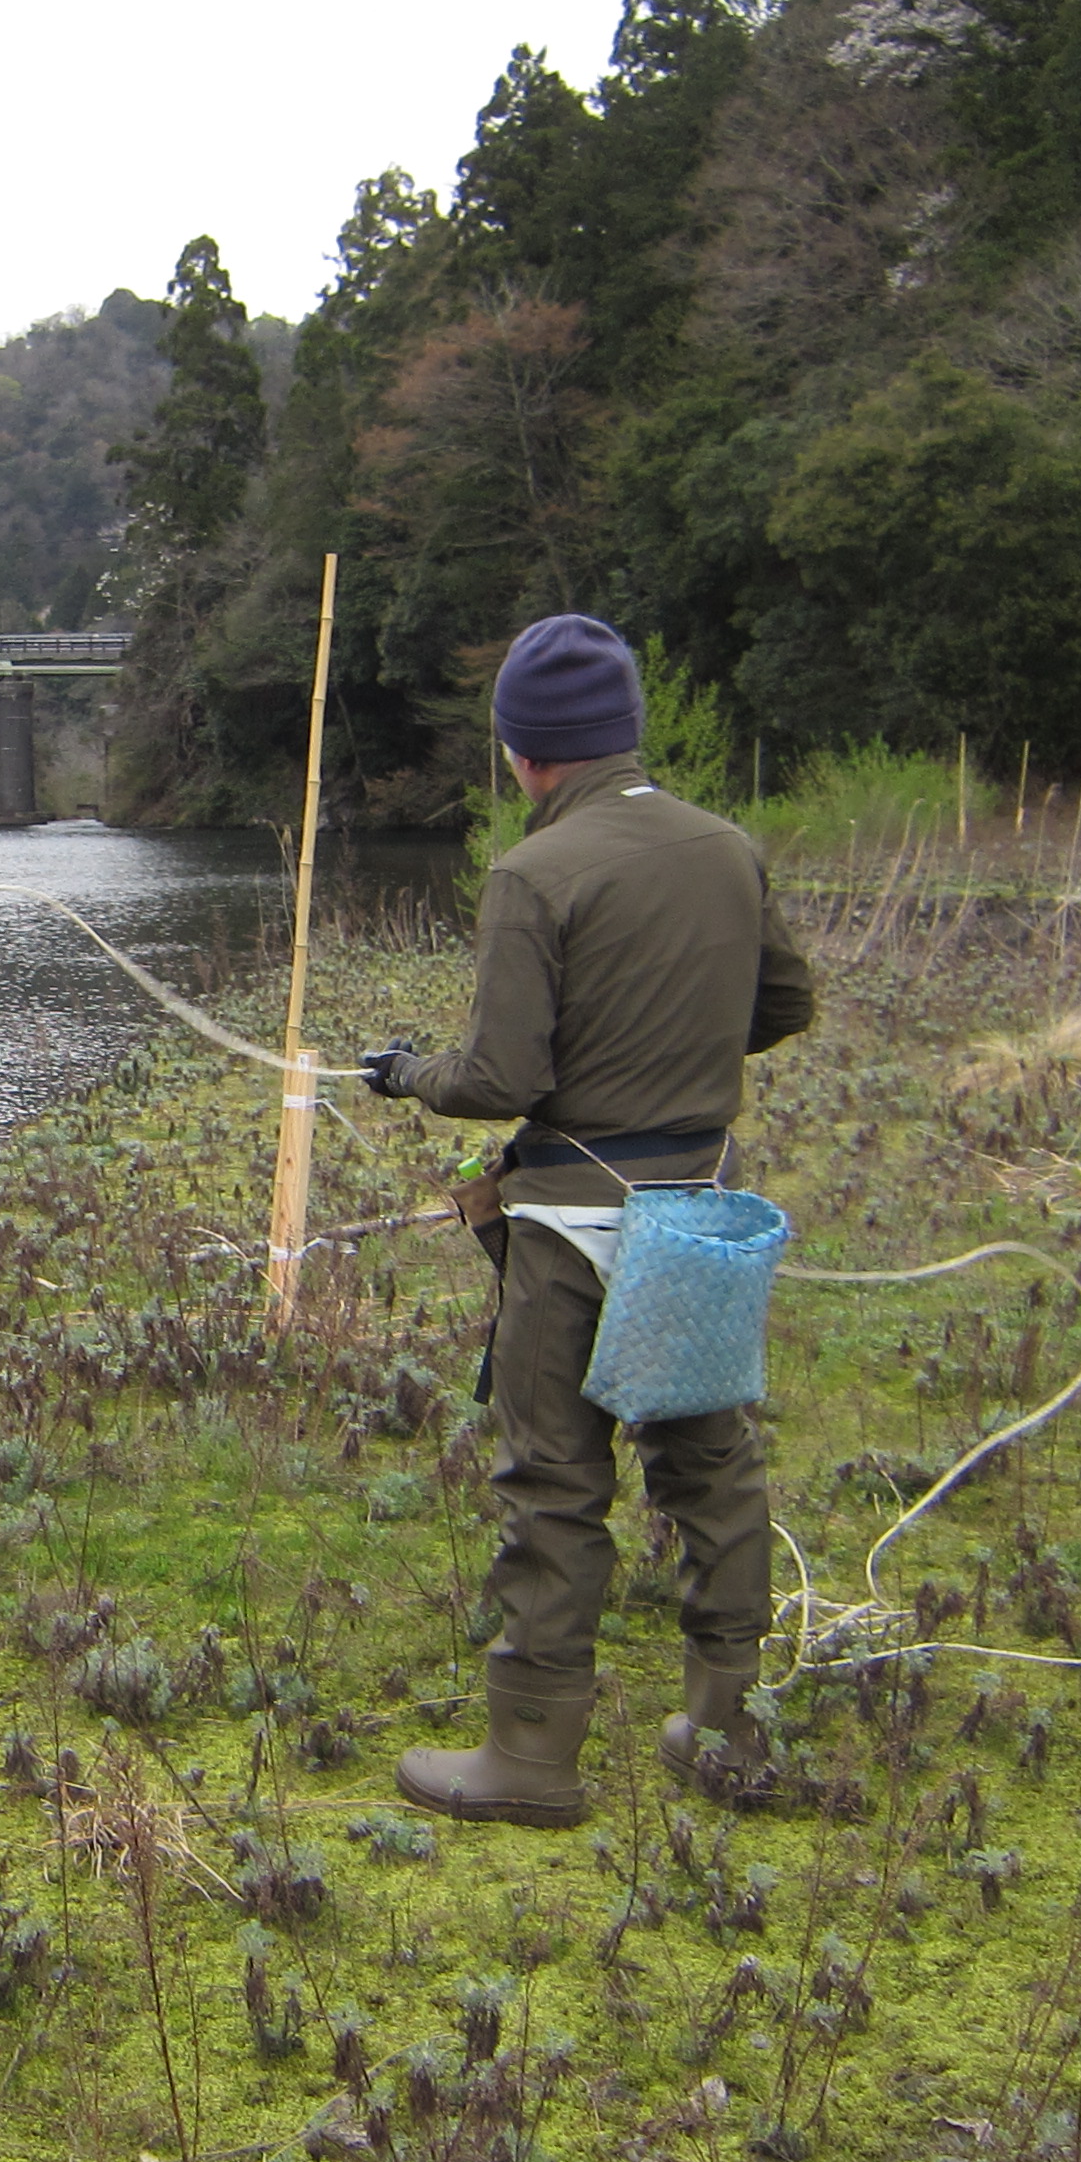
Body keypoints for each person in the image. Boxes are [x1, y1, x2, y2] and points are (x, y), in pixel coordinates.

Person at [354, 614, 818, 1825]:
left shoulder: (531, 874)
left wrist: (407, 1073)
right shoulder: (724, 847)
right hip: (694, 1219)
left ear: (521, 751)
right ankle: (728, 1734)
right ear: (624, 733)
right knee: (711, 1469)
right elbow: (785, 1002)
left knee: (555, 1478)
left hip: (566, 1230)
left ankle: (532, 1761)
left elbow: (500, 1079)